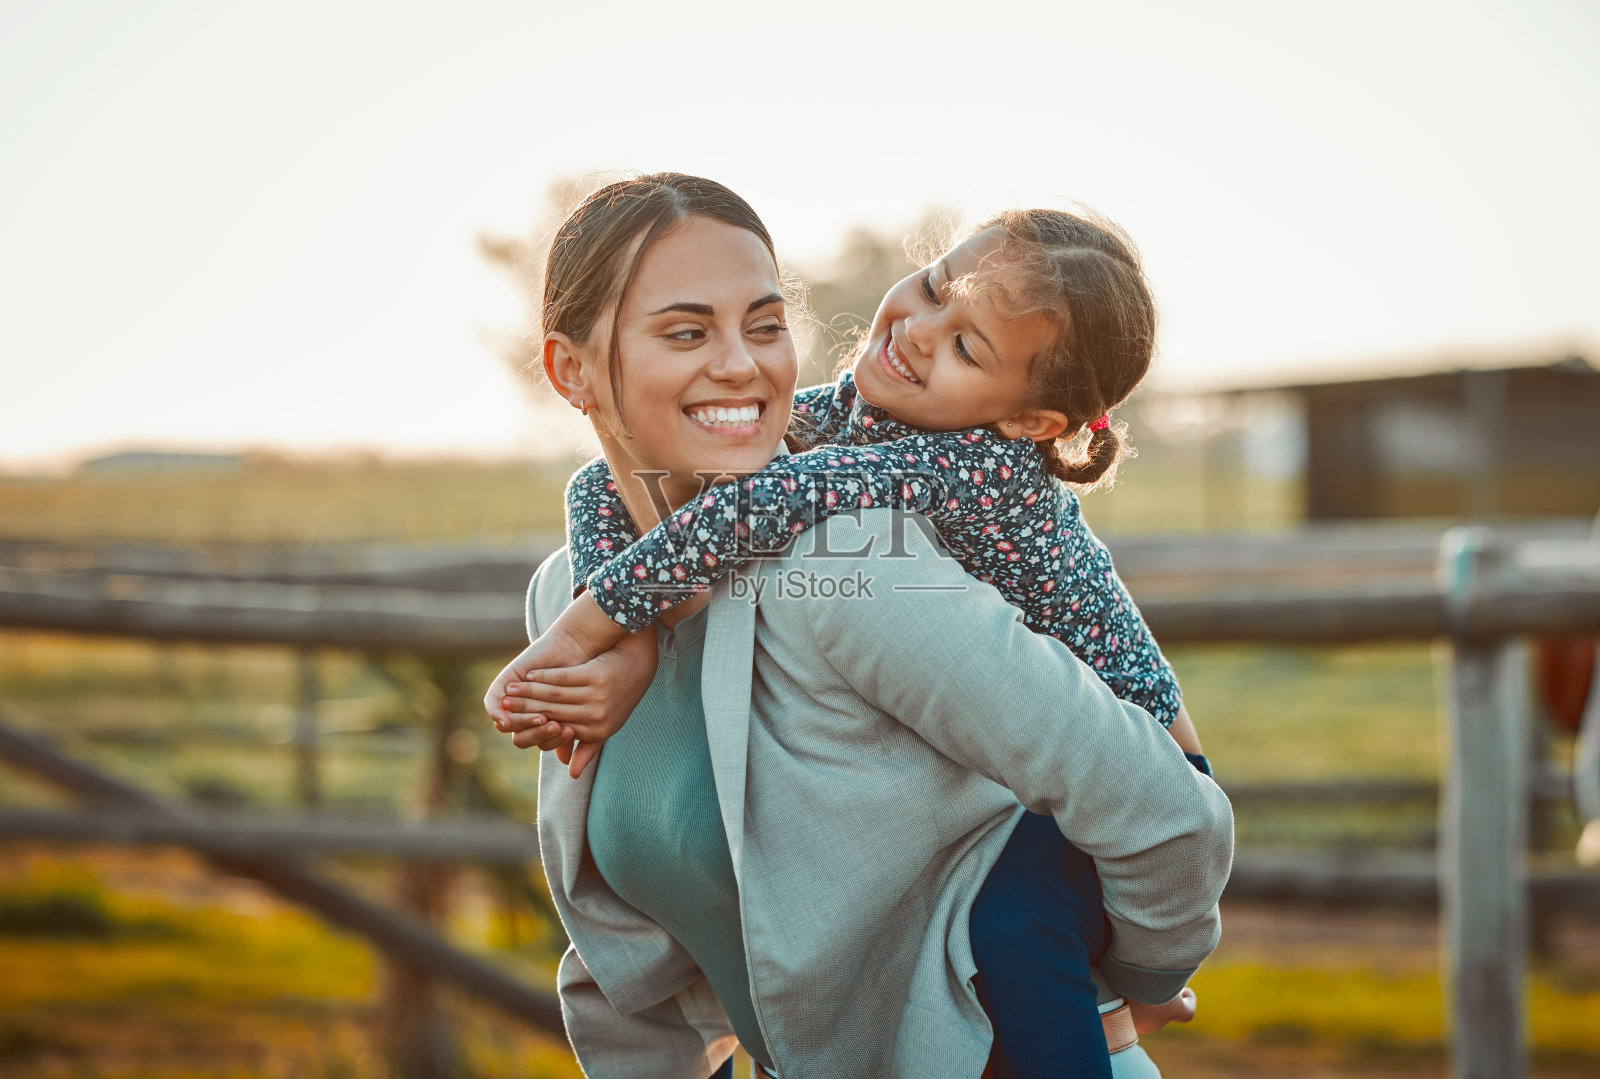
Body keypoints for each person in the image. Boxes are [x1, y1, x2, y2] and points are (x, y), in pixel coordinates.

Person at [486, 173, 1232, 1078]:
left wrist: (1134, 978)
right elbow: (639, 939)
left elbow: (1164, 809)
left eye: (765, 325)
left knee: (1023, 919)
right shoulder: (566, 585)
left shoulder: (850, 551)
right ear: (571, 371)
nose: (740, 365)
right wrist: (624, 639)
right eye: (687, 331)